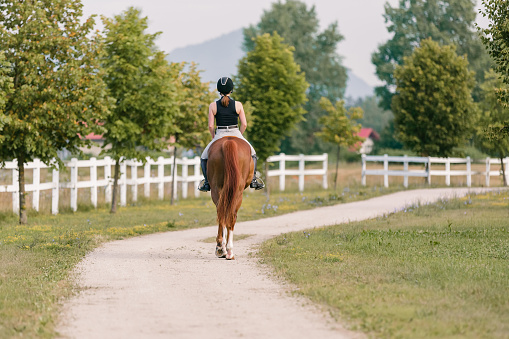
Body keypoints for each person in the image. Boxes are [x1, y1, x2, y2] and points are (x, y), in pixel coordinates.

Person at [198, 77, 264, 192]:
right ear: (231, 90)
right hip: (235, 132)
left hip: (220, 133)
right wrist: (240, 135)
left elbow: (210, 126)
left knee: (204, 157)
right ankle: (253, 179)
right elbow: (244, 124)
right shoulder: (238, 105)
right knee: (253, 154)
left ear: (219, 90)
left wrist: (214, 137)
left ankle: (207, 183)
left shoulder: (213, 105)